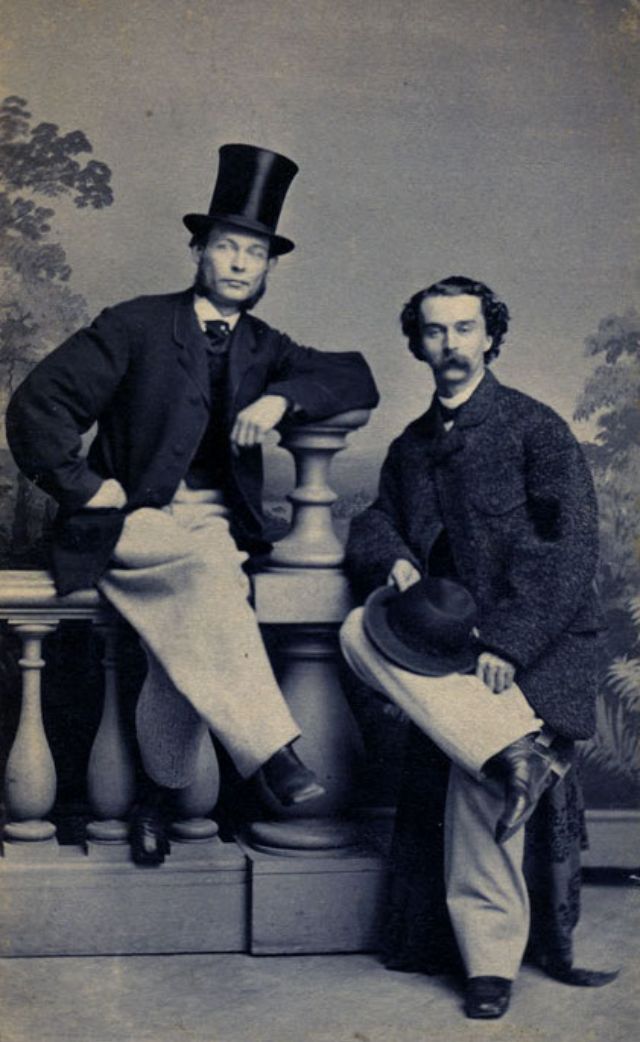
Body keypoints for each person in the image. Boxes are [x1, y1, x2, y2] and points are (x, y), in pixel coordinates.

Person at [6, 143, 379, 865]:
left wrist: (281, 397)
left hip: (210, 529)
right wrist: (88, 487)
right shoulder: (136, 325)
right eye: (227, 247)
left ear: (270, 268)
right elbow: (36, 405)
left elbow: (354, 377)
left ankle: (153, 798)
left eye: (257, 254)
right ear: (198, 250)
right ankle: (272, 751)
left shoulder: (268, 348)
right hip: (129, 521)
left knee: (203, 588)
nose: (241, 264)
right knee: (214, 579)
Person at [340, 276, 614, 1018]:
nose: (451, 346)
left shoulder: (535, 429)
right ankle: (509, 748)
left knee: (475, 775)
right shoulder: (412, 446)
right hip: (447, 648)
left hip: (539, 644)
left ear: (491, 337)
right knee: (354, 631)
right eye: (435, 332)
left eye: (465, 329)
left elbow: (571, 551)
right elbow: (374, 518)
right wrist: (392, 555)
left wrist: (511, 643)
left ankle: (489, 966)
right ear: (418, 345)